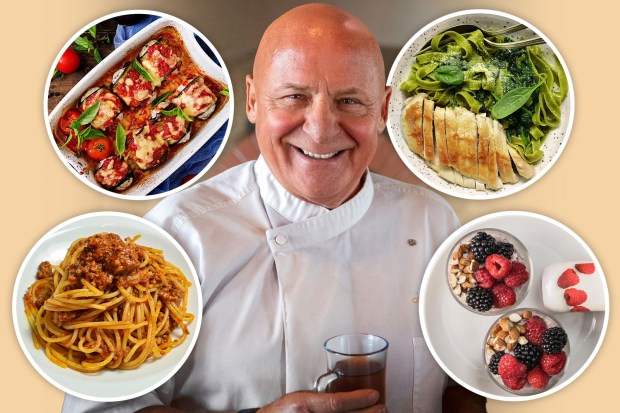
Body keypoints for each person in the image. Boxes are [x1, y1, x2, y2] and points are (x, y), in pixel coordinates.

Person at [63, 4, 485, 413]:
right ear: (251, 101)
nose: (320, 132)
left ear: (383, 110)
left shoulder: (432, 221)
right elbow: (101, 407)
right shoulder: (177, 235)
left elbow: (459, 383)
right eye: (294, 97)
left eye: (350, 101)